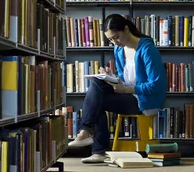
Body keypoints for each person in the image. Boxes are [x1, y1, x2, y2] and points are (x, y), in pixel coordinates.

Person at [68, 14, 167, 163]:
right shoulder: (119, 50)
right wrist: (111, 77)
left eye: (116, 37)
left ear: (126, 29)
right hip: (128, 95)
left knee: (97, 99)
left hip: (145, 101)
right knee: (97, 86)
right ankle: (89, 137)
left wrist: (126, 90)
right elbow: (124, 77)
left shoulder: (147, 49)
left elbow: (156, 85)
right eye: (111, 40)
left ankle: (92, 140)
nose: (115, 42)